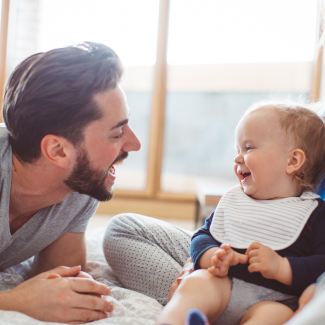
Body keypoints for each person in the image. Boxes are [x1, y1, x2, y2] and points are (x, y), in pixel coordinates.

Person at [104, 101, 325, 325]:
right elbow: (202, 235)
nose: (237, 158)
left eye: (249, 148)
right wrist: (213, 256)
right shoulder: (234, 199)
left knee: (274, 317)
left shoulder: (314, 213)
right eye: (237, 150)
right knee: (195, 285)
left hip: (275, 300)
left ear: (293, 160)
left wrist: (282, 267)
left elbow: (322, 263)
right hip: (222, 283)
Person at [0, 41, 141, 323]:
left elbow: (56, 280)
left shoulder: (80, 185)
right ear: (58, 151)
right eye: (116, 134)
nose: (134, 144)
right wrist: (14, 301)